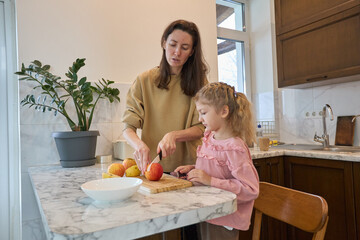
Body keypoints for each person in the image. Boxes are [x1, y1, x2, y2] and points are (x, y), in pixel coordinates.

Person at [174, 82, 260, 240]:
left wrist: (209, 180)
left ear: (224, 111)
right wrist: (194, 169)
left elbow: (250, 189)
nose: (200, 119)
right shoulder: (209, 137)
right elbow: (218, 169)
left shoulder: (234, 148)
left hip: (224, 219)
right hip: (207, 212)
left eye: (203, 112)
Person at [121, 19, 208, 175]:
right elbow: (128, 128)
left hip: (189, 169)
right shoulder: (144, 80)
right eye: (173, 44)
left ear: (192, 51)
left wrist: (174, 135)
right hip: (154, 169)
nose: (177, 52)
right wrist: (139, 145)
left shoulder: (200, 83)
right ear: (163, 43)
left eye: (185, 47)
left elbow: (202, 128)